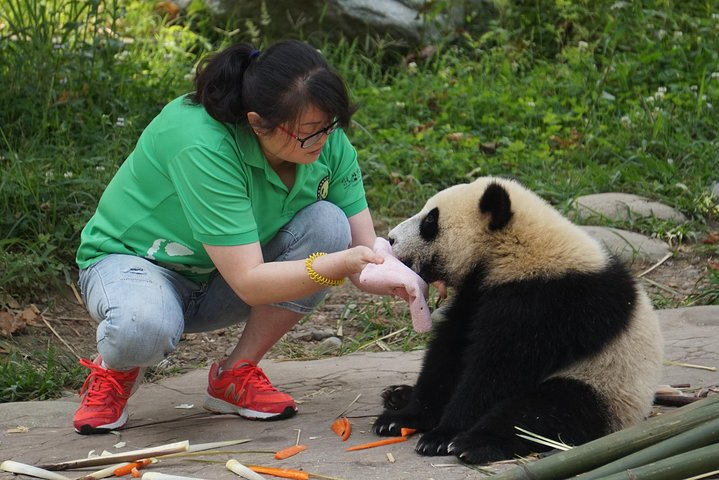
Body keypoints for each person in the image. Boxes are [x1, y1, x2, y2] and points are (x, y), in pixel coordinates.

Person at [73, 39, 385, 435]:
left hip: (218, 276)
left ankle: (235, 375)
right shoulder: (201, 143)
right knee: (141, 326)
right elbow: (251, 284)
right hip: (138, 265)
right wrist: (339, 264)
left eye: (330, 126)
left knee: (329, 224)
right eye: (309, 133)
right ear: (258, 123)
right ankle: (115, 371)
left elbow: (366, 246)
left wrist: (408, 275)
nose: (324, 140)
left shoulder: (321, 134)